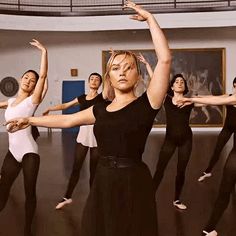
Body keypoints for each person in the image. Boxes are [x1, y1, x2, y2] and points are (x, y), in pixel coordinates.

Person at [5, 1, 171, 235]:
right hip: (103, 179)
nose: (122, 72)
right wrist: (30, 120)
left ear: (137, 75)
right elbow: (66, 121)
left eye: (128, 67)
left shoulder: (147, 103)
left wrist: (150, 20)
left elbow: (164, 60)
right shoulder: (100, 109)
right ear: (109, 78)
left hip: (134, 179)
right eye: (115, 68)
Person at [0, 39, 48, 236]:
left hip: (29, 152)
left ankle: (28, 229)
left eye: (33, 81)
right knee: (3, 188)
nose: (29, 80)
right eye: (27, 77)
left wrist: (44, 51)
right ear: (20, 79)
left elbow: (43, 75)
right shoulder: (10, 101)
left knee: (30, 191)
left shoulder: (32, 101)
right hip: (13, 151)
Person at [177, 91, 236, 236]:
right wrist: (194, 99)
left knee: (225, 191)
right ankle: (208, 229)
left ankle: (209, 228)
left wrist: (190, 99)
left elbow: (218, 102)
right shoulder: (232, 97)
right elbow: (216, 99)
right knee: (224, 191)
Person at [42, 72, 105, 209]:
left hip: (97, 135)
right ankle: (67, 197)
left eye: (97, 79)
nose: (94, 81)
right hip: (83, 134)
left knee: (94, 170)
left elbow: (111, 85)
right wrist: (50, 108)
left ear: (100, 84)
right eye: (92, 79)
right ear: (88, 82)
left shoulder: (103, 97)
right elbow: (65, 106)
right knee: (76, 167)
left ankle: (94, 199)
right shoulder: (82, 98)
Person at [153, 74, 195, 210]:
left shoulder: (190, 101)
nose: (179, 83)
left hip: (186, 140)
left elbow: (210, 101)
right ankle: (149, 196)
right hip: (170, 140)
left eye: (182, 81)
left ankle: (176, 199)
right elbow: (157, 80)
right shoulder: (166, 98)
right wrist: (148, 65)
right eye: (176, 81)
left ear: (185, 86)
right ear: (172, 86)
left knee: (181, 170)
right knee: (160, 169)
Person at [198, 77, 236, 182]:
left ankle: (231, 176)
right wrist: (199, 96)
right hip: (228, 128)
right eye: (235, 86)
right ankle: (208, 171)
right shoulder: (228, 97)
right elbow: (215, 98)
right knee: (217, 148)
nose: (235, 89)